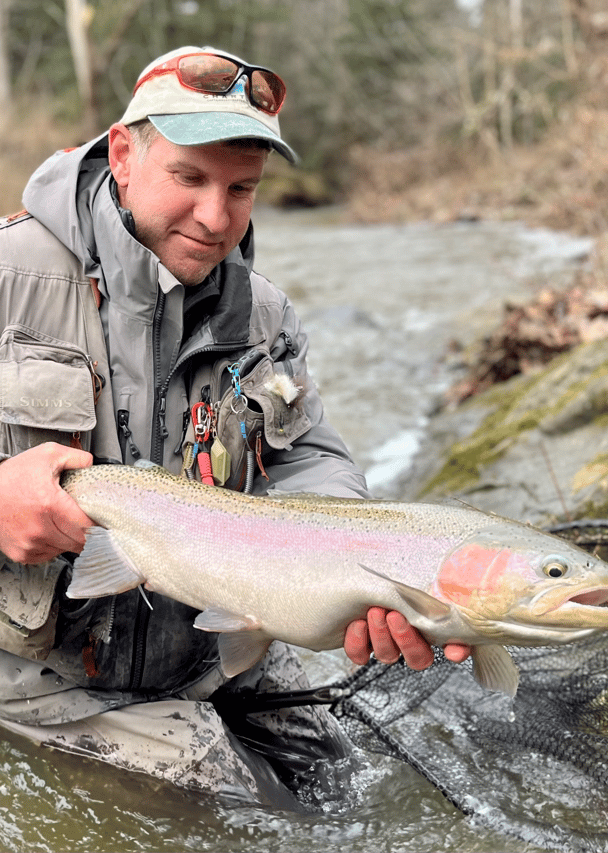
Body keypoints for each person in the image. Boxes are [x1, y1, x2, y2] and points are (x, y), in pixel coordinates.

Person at [0, 46, 469, 809]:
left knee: (350, 793)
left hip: (214, 650)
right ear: (124, 155)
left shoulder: (265, 315)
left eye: (241, 188)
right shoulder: (6, 273)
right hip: (37, 676)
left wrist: (363, 568)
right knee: (240, 806)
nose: (216, 218)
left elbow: (306, 457)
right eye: (189, 178)